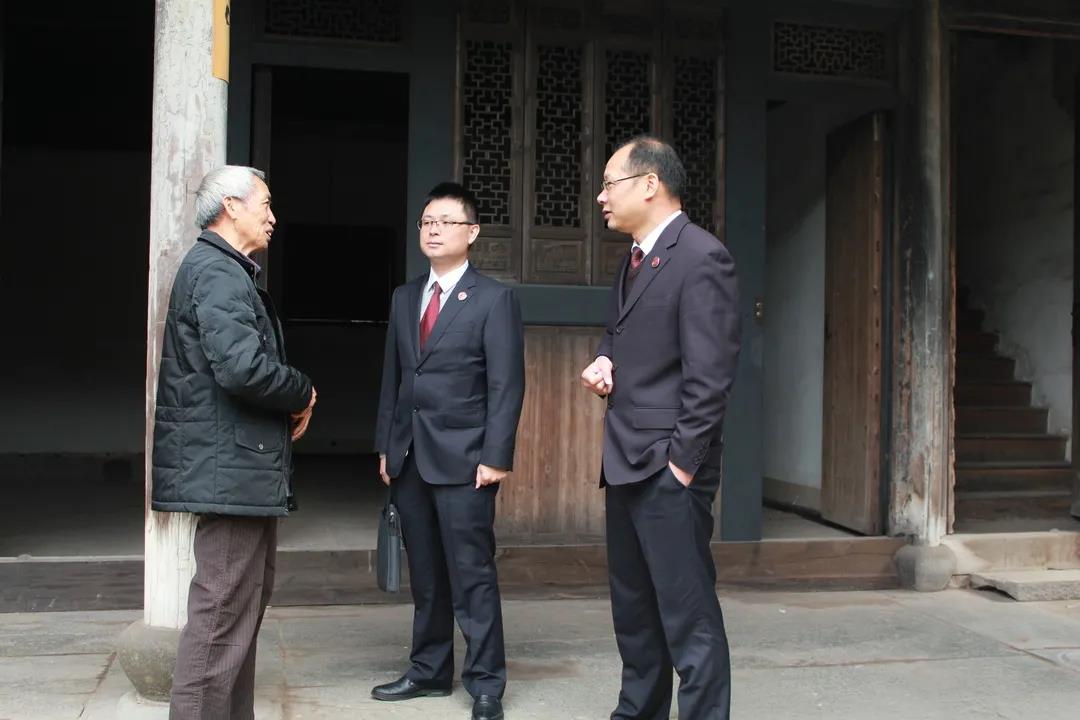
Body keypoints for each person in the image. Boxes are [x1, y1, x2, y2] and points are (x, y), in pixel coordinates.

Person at [580, 136, 741, 720]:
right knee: (634, 608)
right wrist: (606, 359)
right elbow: (622, 334)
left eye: (609, 183)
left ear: (650, 184)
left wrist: (680, 466)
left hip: (668, 466)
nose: (601, 197)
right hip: (625, 456)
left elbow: (710, 376)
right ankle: (637, 711)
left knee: (687, 613)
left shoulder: (701, 257)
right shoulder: (635, 258)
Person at [151, 165, 317, 720]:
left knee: (240, 610)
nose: (273, 217)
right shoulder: (217, 271)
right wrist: (302, 390)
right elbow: (243, 368)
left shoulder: (226, 270)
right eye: (265, 204)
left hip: (239, 469)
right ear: (231, 206)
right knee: (221, 614)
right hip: (228, 471)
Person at [372, 181, 525, 720]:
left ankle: (486, 683)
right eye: (427, 222)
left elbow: (506, 385)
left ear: (472, 232)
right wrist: (386, 445)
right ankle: (429, 671)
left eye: (446, 222)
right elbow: (394, 378)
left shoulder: (494, 299)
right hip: (410, 456)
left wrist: (496, 455)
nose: (433, 230)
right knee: (427, 575)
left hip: (466, 460)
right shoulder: (404, 297)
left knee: (471, 574)